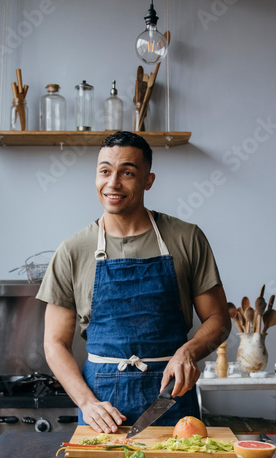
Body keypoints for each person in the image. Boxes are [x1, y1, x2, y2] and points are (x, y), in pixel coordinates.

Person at [39, 131, 230, 433]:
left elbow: (219, 320)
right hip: (102, 410)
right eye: (105, 171)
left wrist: (188, 351)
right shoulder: (72, 251)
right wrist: (87, 403)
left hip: (173, 399)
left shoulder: (186, 237)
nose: (113, 183)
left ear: (148, 180)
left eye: (127, 173)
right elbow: (55, 343)